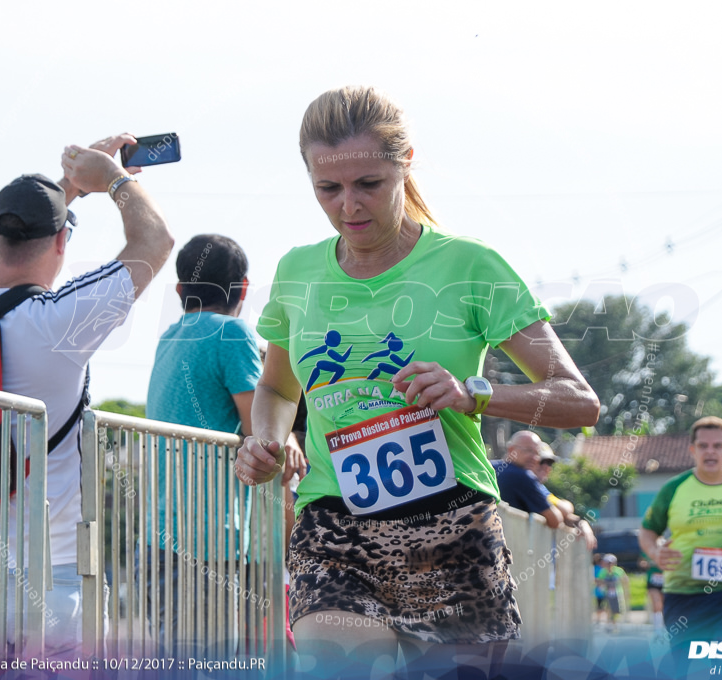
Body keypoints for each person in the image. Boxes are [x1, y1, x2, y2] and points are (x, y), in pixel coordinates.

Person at [233, 85, 600, 678]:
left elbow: (579, 402)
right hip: (335, 524)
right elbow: (277, 389)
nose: (348, 205)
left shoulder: (470, 266)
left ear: (405, 164)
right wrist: (269, 441)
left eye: (368, 185)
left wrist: (472, 393)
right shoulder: (298, 271)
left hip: (451, 528)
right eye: (328, 189)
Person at [0, 133, 173, 659]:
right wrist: (113, 180)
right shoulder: (58, 321)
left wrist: (66, 186)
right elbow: (155, 241)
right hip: (52, 574)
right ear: (62, 242)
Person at [143, 234, 305, 652]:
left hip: (158, 532)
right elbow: (264, 431)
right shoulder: (232, 334)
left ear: (181, 290)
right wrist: (288, 439)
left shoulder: (170, 337)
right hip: (211, 537)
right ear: (244, 288)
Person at [638, 416, 722, 654]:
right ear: (692, 450)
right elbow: (647, 530)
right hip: (683, 596)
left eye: (718, 446)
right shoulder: (673, 488)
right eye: (703, 446)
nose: (710, 452)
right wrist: (655, 552)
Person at [491, 430, 563, 528]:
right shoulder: (522, 476)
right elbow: (555, 520)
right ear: (511, 450)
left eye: (537, 453)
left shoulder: (488, 467)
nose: (534, 458)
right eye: (528, 450)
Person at [600, 554, 630, 631]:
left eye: (610, 563)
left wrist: (626, 591)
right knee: (608, 608)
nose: (609, 565)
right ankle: (609, 623)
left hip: (617, 593)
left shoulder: (618, 571)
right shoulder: (603, 572)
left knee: (617, 609)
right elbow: (599, 581)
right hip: (607, 593)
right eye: (607, 563)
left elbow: (625, 580)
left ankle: (614, 623)